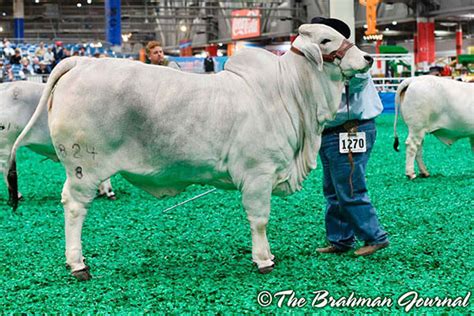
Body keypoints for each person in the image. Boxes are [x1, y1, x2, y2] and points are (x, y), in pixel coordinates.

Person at [311, 17, 389, 256]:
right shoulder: (322, 65)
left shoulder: (354, 61)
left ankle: (375, 237)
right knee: (333, 190)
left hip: (351, 129)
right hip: (330, 132)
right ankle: (340, 240)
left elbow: (355, 84)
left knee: (350, 186)